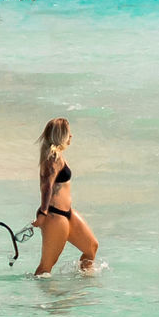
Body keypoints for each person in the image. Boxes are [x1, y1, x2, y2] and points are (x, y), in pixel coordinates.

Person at [33, 117, 98, 276]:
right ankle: (37, 299)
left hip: (67, 213)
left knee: (91, 248)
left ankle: (85, 287)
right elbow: (47, 186)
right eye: (68, 133)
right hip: (54, 215)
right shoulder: (52, 158)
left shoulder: (57, 156)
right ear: (60, 135)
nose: (71, 136)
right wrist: (43, 213)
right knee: (45, 268)